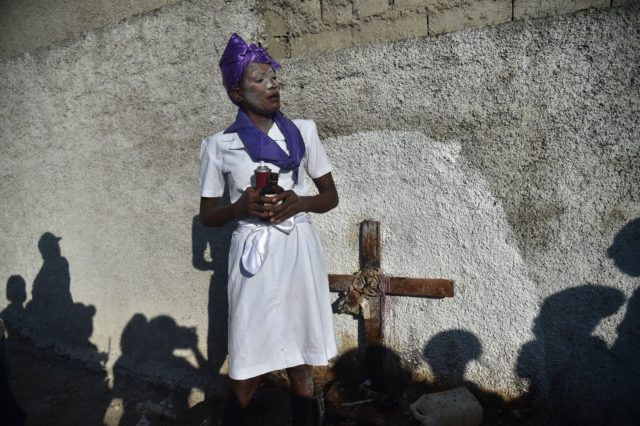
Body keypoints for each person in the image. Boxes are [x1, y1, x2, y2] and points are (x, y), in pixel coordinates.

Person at [199, 33, 339, 425]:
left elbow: (330, 196)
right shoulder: (218, 146)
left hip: (297, 246)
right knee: (247, 362)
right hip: (252, 255)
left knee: (301, 362)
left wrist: (302, 202)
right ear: (237, 92)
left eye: (273, 77)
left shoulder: (304, 132)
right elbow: (208, 215)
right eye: (259, 80)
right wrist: (241, 207)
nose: (272, 85)